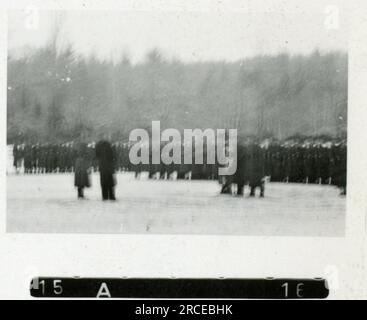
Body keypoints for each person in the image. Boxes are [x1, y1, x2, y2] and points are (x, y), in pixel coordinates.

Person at [96, 133, 116, 200]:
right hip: (108, 166)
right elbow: (112, 155)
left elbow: (97, 155)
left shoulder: (98, 145)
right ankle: (111, 196)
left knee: (103, 182)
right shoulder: (108, 145)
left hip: (102, 165)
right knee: (110, 182)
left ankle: (104, 196)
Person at [74, 133, 91, 199]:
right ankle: (81, 194)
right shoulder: (84, 145)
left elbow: (73, 154)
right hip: (83, 163)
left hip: (78, 163)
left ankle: (80, 193)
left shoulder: (76, 145)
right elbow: (87, 154)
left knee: (79, 179)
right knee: (82, 179)